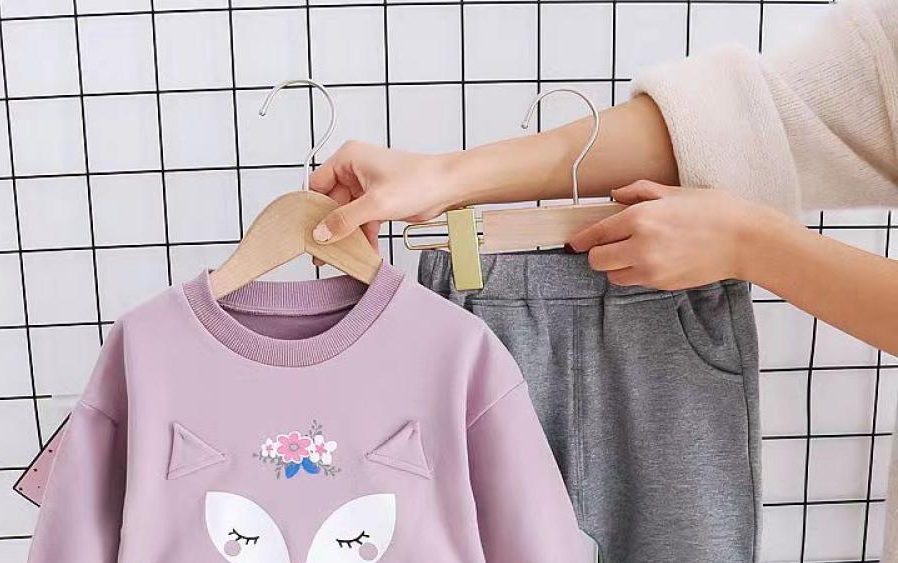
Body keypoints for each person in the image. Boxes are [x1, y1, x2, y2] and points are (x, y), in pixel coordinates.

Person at [308, 0, 898, 355]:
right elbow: (749, 120)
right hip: (480, 310)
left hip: (668, 325)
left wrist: (754, 245)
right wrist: (447, 175)